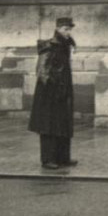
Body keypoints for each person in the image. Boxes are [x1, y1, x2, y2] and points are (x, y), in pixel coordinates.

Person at [29, 16, 78, 169]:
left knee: (63, 124)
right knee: (48, 126)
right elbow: (42, 71)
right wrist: (52, 89)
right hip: (50, 93)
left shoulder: (65, 45)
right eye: (65, 29)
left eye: (70, 29)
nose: (68, 32)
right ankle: (48, 159)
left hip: (63, 91)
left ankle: (63, 157)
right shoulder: (50, 46)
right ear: (57, 29)